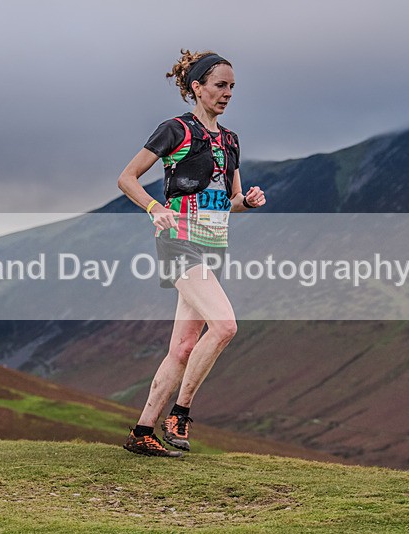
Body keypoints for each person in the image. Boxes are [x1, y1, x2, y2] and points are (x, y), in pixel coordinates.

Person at [117, 49, 266, 457]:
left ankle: (142, 431)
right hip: (179, 241)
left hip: (213, 245)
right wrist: (155, 208)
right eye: (220, 85)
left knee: (183, 348)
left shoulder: (230, 140)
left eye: (232, 87)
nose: (228, 93)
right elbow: (127, 178)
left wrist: (247, 201)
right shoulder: (175, 130)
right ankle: (179, 414)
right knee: (225, 326)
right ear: (196, 88)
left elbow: (230, 199)